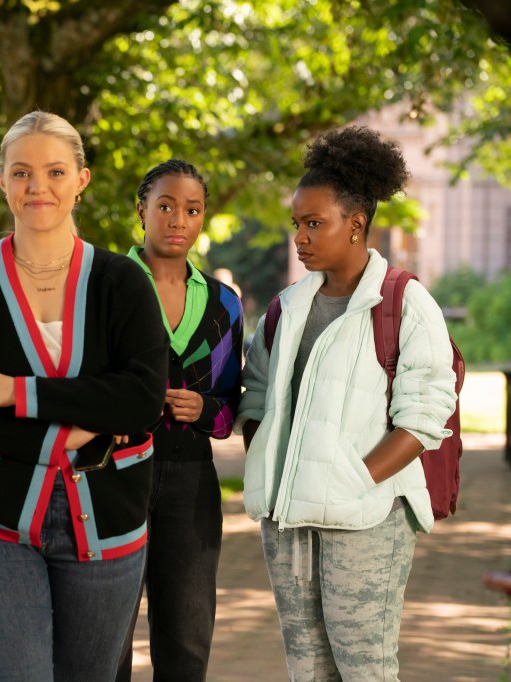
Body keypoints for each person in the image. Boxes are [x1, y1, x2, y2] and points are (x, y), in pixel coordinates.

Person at [0, 110, 169, 681]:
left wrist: (14, 392)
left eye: (55, 172)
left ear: (81, 180)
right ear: (0, 180)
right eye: (22, 172)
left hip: (108, 517)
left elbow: (140, 402)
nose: (39, 187)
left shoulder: (121, 281)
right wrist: (70, 432)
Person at [236, 126, 457, 680]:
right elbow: (257, 393)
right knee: (307, 669)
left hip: (367, 520)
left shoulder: (404, 302)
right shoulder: (287, 307)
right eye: (297, 224)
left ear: (356, 224)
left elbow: (427, 413)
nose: (300, 238)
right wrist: (269, 461)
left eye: (315, 224)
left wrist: (354, 479)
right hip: (288, 524)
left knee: (365, 668)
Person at [116, 160, 244, 682]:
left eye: (191, 210)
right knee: (107, 636)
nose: (177, 220)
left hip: (192, 480)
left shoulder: (224, 304)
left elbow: (233, 403)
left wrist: (205, 409)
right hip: (113, 474)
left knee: (187, 639)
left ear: (203, 218)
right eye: (165, 206)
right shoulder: (106, 285)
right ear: (141, 211)